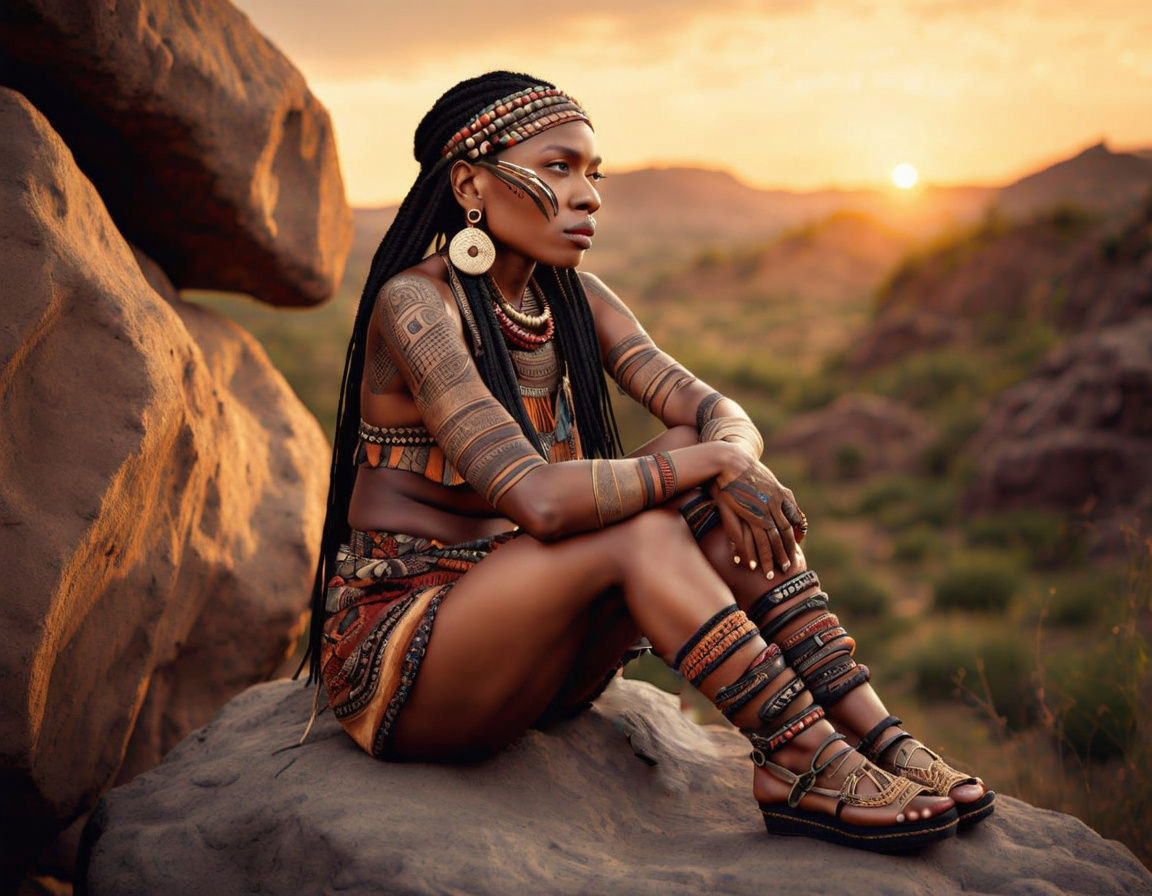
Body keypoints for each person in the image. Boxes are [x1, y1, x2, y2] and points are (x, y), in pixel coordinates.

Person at [302, 71, 993, 852]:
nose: (589, 196)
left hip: (536, 654)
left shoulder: (576, 299)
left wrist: (731, 461)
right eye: (559, 168)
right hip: (412, 662)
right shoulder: (417, 305)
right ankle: (800, 759)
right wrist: (712, 463)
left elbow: (715, 413)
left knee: (697, 473)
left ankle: (873, 733)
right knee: (650, 520)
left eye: (593, 173)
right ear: (469, 183)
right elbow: (538, 500)